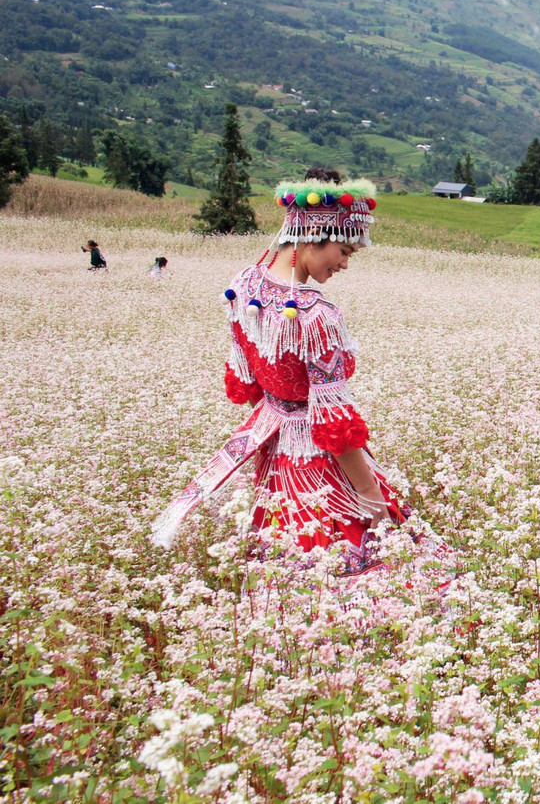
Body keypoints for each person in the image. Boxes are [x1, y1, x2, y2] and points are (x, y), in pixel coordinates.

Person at [152, 169, 447, 577]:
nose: (345, 263)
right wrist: (371, 500)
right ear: (313, 235)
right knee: (363, 566)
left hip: (275, 450)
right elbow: (335, 426)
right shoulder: (315, 315)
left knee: (284, 567)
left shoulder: (243, 285)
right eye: (344, 251)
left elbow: (248, 380)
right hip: (318, 462)